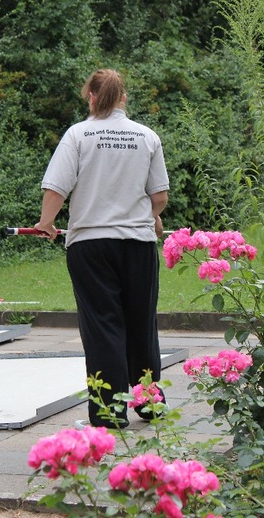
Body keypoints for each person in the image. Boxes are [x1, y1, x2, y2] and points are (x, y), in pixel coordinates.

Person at [34, 68, 169, 428]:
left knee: (103, 326)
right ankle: (149, 404)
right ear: (124, 97)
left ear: (91, 98)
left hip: (90, 246)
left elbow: (56, 189)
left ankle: (110, 413)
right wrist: (151, 217)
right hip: (138, 245)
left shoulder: (78, 135)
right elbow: (159, 197)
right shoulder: (147, 136)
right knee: (141, 323)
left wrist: (46, 223)